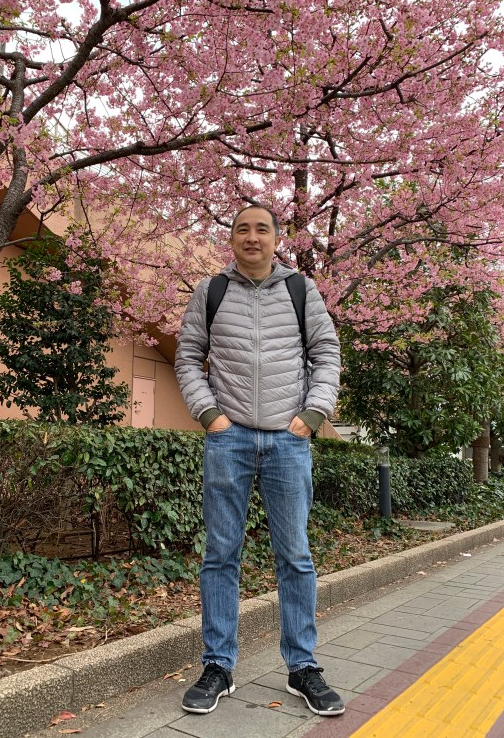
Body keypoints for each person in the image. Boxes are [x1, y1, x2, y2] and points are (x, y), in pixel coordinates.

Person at [174, 203, 344, 717]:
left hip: (288, 441)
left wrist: (312, 415)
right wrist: (210, 415)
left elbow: (326, 353)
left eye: (262, 229)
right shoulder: (211, 291)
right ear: (232, 239)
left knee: (295, 555)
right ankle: (217, 666)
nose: (252, 237)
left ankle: (303, 667)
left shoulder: (300, 290)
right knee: (220, 555)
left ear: (275, 238)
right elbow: (188, 356)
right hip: (228, 440)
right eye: (242, 229)